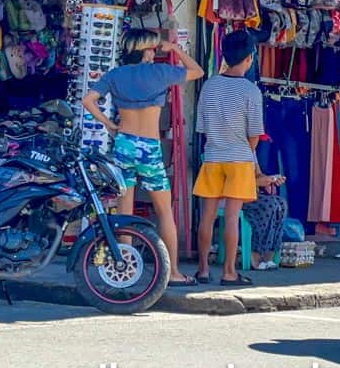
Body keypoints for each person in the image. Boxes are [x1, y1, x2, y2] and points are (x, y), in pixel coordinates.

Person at [82, 28, 204, 287]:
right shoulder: (159, 73)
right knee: (164, 211)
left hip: (123, 144)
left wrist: (109, 125)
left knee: (124, 208)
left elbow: (89, 100)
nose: (154, 51)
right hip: (149, 147)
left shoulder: (116, 75)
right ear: (145, 50)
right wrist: (176, 50)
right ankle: (172, 273)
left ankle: (124, 268)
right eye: (152, 48)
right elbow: (197, 71)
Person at [193, 30, 285, 285]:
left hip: (212, 156)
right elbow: (255, 135)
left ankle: (201, 269)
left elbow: (201, 127)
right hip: (240, 158)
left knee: (207, 217)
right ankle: (229, 272)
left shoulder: (209, 85)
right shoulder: (250, 91)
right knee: (232, 217)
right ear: (249, 58)